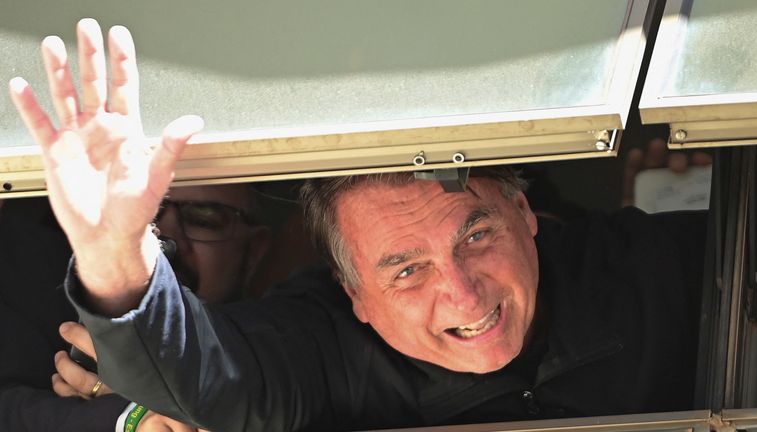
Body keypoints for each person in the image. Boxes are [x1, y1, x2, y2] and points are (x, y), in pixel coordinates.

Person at [9, 19, 706, 431]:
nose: (464, 297)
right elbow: (207, 376)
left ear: (525, 212)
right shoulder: (322, 341)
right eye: (406, 270)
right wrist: (114, 248)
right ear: (353, 294)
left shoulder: (649, 268)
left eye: (475, 235)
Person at [0, 183, 270, 432]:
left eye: (203, 220)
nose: (167, 238)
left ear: (254, 251)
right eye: (142, 214)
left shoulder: (287, 369)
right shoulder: (42, 332)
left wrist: (138, 407)